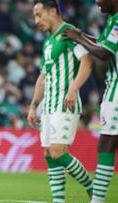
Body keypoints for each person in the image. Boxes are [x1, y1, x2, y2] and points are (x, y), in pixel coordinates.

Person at [27, 1, 94, 203]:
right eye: (34, 16)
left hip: (65, 104)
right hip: (48, 106)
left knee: (58, 152)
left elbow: (87, 61)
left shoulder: (69, 33)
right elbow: (42, 77)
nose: (36, 20)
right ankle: (59, 200)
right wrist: (33, 106)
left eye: (39, 15)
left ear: (53, 11)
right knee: (49, 153)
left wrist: (73, 88)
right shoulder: (48, 42)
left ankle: (93, 189)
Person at [62, 0, 117, 202]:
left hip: (116, 93)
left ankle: (97, 199)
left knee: (106, 144)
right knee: (106, 143)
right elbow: (102, 43)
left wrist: (78, 37)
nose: (96, 1)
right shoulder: (112, 19)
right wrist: (81, 35)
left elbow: (103, 53)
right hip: (111, 91)